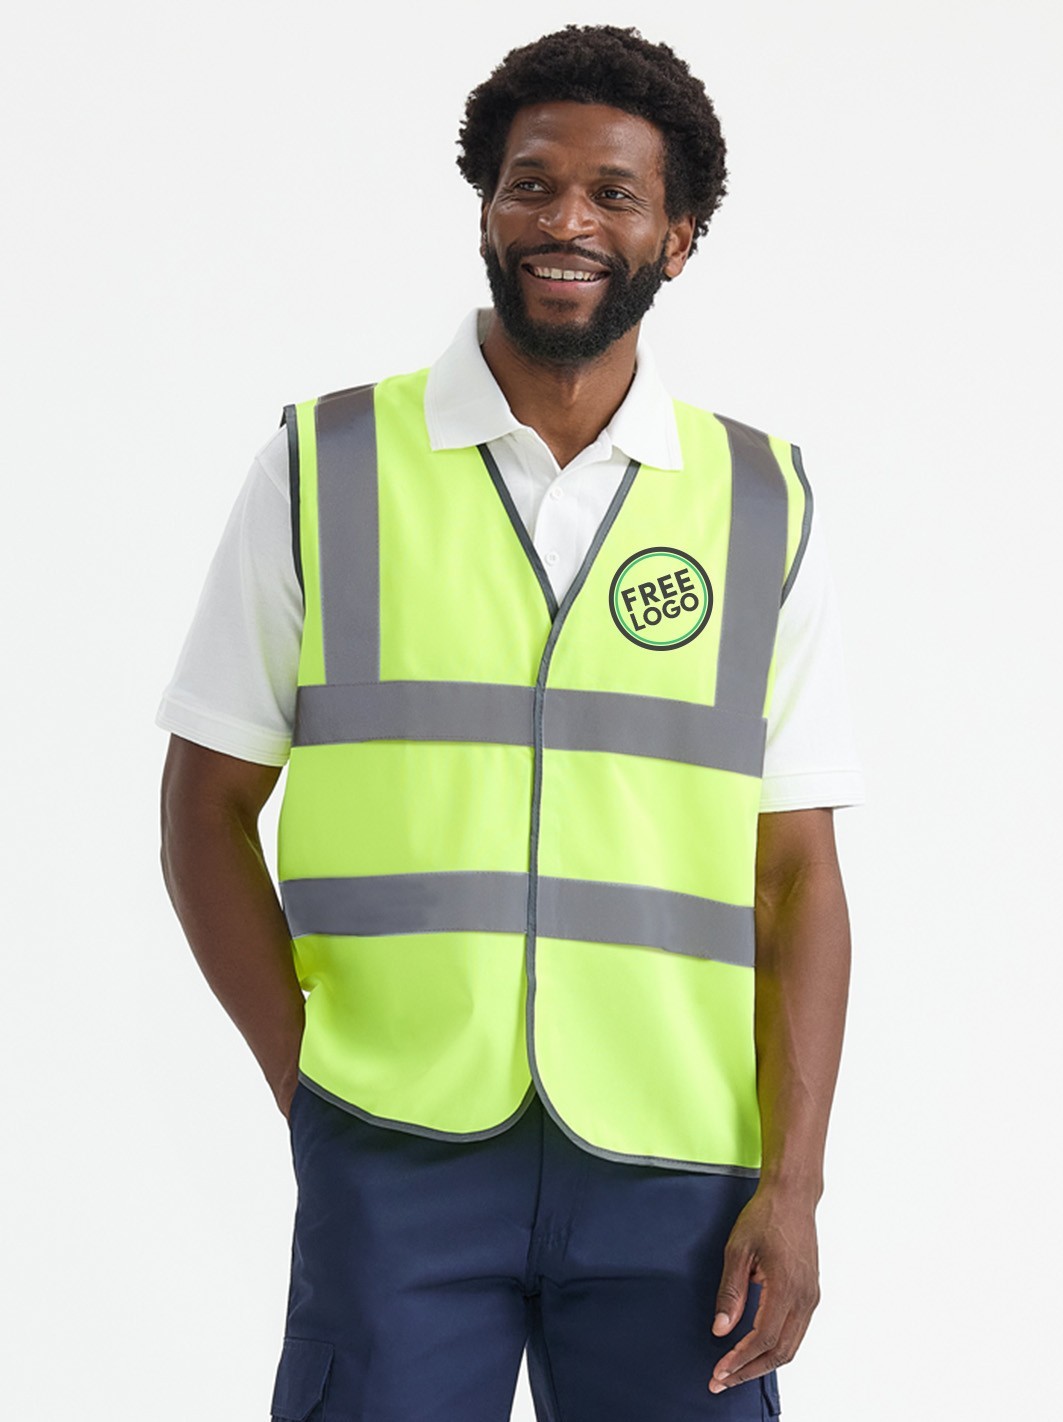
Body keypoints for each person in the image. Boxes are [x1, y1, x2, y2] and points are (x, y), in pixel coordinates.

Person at [158, 24, 863, 1422]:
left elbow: (798, 877)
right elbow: (203, 805)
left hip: (679, 1163)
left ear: (678, 239)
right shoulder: (324, 466)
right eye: (531, 184)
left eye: (615, 194)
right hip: (398, 1147)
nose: (566, 221)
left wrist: (794, 1184)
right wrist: (315, 1091)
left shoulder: (760, 502)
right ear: (486, 208)